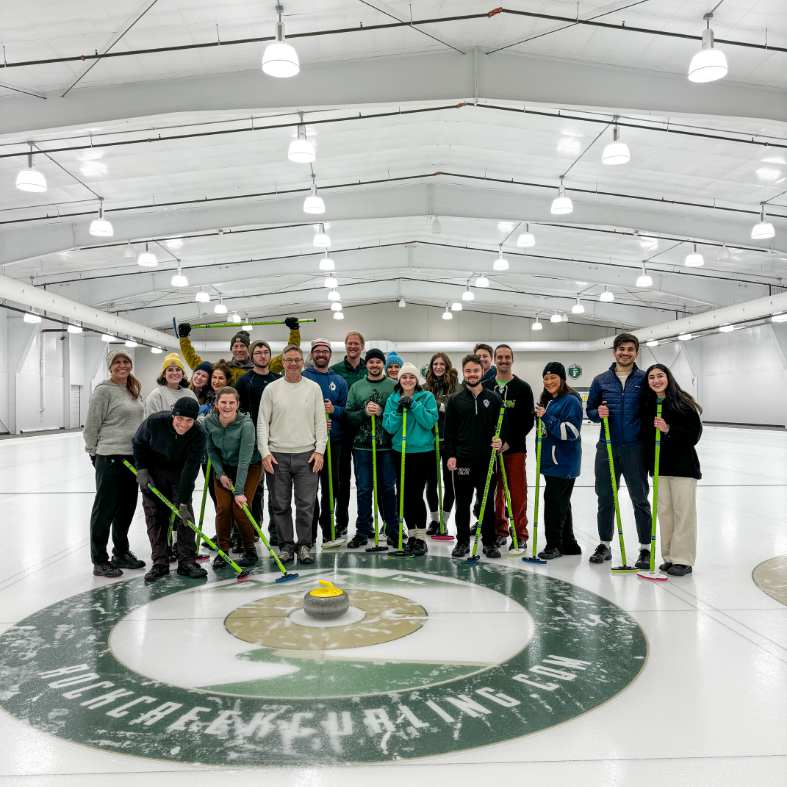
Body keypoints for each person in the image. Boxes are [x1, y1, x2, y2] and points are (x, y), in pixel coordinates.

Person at [586, 332, 652, 568]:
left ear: (636, 353)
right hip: (607, 448)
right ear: (614, 352)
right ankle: (605, 544)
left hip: (636, 448)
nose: (625, 353)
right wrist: (597, 414)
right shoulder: (600, 380)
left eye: (630, 349)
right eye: (621, 349)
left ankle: (645, 549)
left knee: (640, 499)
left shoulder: (645, 380)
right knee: (605, 498)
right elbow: (591, 410)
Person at [257, 345, 327, 564]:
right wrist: (265, 452)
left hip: (306, 455)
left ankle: (304, 545)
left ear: (302, 362)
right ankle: (286, 546)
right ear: (283, 362)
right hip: (277, 456)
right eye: (289, 360)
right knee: (280, 505)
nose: (294, 363)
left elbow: (320, 422)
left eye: (297, 359)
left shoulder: (313, 388)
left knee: (306, 505)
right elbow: (262, 423)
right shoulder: (271, 389)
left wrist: (319, 451)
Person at [83, 349, 147, 578]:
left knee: (127, 507)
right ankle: (99, 559)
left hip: (132, 456)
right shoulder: (103, 391)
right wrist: (93, 453)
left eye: (126, 361)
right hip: (109, 456)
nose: (122, 365)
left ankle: (120, 552)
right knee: (106, 508)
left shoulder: (133, 389)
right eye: (117, 362)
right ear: (110, 367)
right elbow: (91, 426)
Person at [132, 397, 208, 582]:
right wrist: (142, 468)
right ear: (173, 414)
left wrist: (182, 502)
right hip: (153, 468)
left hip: (180, 471)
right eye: (180, 418)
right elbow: (138, 442)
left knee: (185, 515)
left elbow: (190, 470)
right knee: (155, 514)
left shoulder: (199, 434)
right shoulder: (155, 421)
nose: (184, 424)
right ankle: (160, 562)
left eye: (189, 420)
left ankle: (187, 561)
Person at [444, 354, 508, 559]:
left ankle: (488, 542)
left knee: (487, 503)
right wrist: (451, 455)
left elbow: (502, 427)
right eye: (468, 371)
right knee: (462, 502)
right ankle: (462, 541)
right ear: (463, 373)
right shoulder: (455, 400)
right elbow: (449, 432)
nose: (472, 374)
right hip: (463, 461)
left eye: (476, 370)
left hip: (486, 461)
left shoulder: (494, 398)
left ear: (482, 371)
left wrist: (501, 441)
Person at [641, 364, 703, 577]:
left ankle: (683, 559)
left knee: (683, 513)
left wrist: (669, 429)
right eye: (651, 377)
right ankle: (669, 557)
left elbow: (694, 435)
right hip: (659, 468)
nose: (656, 380)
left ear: (668, 377)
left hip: (682, 467)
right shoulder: (648, 404)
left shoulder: (682, 402)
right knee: (664, 513)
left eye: (660, 376)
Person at [343, 348, 399, 548]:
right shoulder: (357, 387)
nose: (374, 365)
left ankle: (392, 529)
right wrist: (365, 413)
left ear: (383, 364)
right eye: (371, 362)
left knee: (387, 489)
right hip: (362, 447)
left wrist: (383, 411)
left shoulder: (394, 386)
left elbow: (400, 414)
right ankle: (362, 530)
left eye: (378, 362)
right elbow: (348, 416)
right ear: (365, 364)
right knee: (364, 489)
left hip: (386, 447)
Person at [203, 386, 263, 570]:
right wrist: (220, 474)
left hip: (249, 466)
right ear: (216, 403)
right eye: (223, 402)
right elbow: (211, 449)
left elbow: (245, 459)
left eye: (231, 403)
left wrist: (238, 491)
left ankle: (250, 549)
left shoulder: (246, 424)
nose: (227, 406)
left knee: (239, 508)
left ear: (237, 404)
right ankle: (223, 551)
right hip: (223, 467)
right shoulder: (209, 422)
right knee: (222, 509)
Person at [383, 363, 438, 555]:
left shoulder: (427, 397)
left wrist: (414, 405)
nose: (408, 380)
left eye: (412, 377)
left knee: (415, 493)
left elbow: (430, 421)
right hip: (400, 451)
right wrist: (399, 410)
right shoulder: (392, 399)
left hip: (422, 452)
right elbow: (389, 427)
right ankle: (412, 536)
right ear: (399, 380)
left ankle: (421, 539)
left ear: (417, 380)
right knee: (404, 495)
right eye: (404, 377)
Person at [484, 344, 535, 551]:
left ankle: (520, 534)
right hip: (490, 451)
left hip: (514, 449)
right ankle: (500, 531)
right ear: (495, 360)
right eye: (500, 357)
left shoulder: (522, 388)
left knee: (517, 492)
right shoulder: (486, 385)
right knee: (496, 492)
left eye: (507, 357)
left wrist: (508, 442)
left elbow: (527, 421)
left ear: (512, 360)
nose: (503, 361)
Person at [235, 339, 284, 545]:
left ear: (270, 356)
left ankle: (275, 532)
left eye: (266, 352)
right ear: (251, 356)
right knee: (253, 489)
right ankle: (252, 530)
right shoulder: (244, 381)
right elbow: (239, 413)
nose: (262, 356)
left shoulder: (277, 379)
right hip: (253, 442)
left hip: (277, 440)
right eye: (258, 353)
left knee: (276, 490)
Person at [302, 339, 348, 546]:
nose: (321, 354)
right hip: (308, 443)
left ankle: (329, 530)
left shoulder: (338, 380)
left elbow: (347, 410)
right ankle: (309, 534)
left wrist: (334, 411)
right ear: (312, 355)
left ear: (330, 355)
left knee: (331, 487)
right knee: (310, 488)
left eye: (325, 351)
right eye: (317, 351)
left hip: (334, 441)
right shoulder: (303, 377)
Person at [535, 363, 583, 559]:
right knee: (562, 503)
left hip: (562, 463)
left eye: (553, 378)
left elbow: (570, 432)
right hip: (552, 463)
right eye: (546, 379)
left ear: (562, 379)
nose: (548, 382)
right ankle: (568, 543)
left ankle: (554, 545)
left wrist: (547, 418)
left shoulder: (570, 401)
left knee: (553, 503)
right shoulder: (550, 401)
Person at [177, 318, 301, 385]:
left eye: (243, 346)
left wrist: (294, 331)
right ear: (231, 349)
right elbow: (195, 363)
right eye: (235, 346)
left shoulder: (262, 366)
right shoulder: (223, 368)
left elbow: (290, 354)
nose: (239, 349)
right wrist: (184, 338)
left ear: (249, 349)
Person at [330, 331, 368, 535]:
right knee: (342, 479)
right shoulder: (335, 370)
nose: (352, 346)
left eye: (356, 343)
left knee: (365, 480)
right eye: (349, 343)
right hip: (342, 433)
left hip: (366, 434)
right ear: (345, 346)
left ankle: (366, 522)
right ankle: (341, 521)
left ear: (362, 346)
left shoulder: (369, 368)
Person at [424, 352, 461, 534]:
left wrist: (437, 405)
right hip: (430, 441)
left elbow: (456, 407)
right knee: (431, 483)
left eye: (441, 364)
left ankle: (444, 521)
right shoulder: (425, 387)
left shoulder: (457, 387)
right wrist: (441, 405)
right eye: (435, 364)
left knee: (449, 481)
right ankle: (434, 520)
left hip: (450, 443)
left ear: (447, 366)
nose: (438, 367)